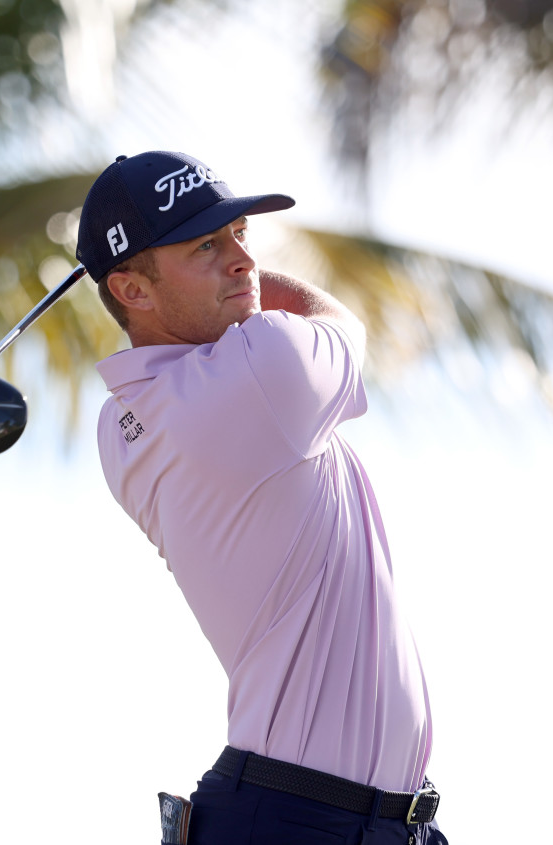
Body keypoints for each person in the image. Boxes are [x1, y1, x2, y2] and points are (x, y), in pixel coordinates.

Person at [76, 151, 447, 845]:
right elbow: (340, 323)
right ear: (131, 290)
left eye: (242, 235)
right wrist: (250, 287)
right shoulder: (262, 368)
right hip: (299, 820)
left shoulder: (122, 429)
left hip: (343, 820)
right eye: (207, 246)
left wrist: (202, 278)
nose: (243, 260)